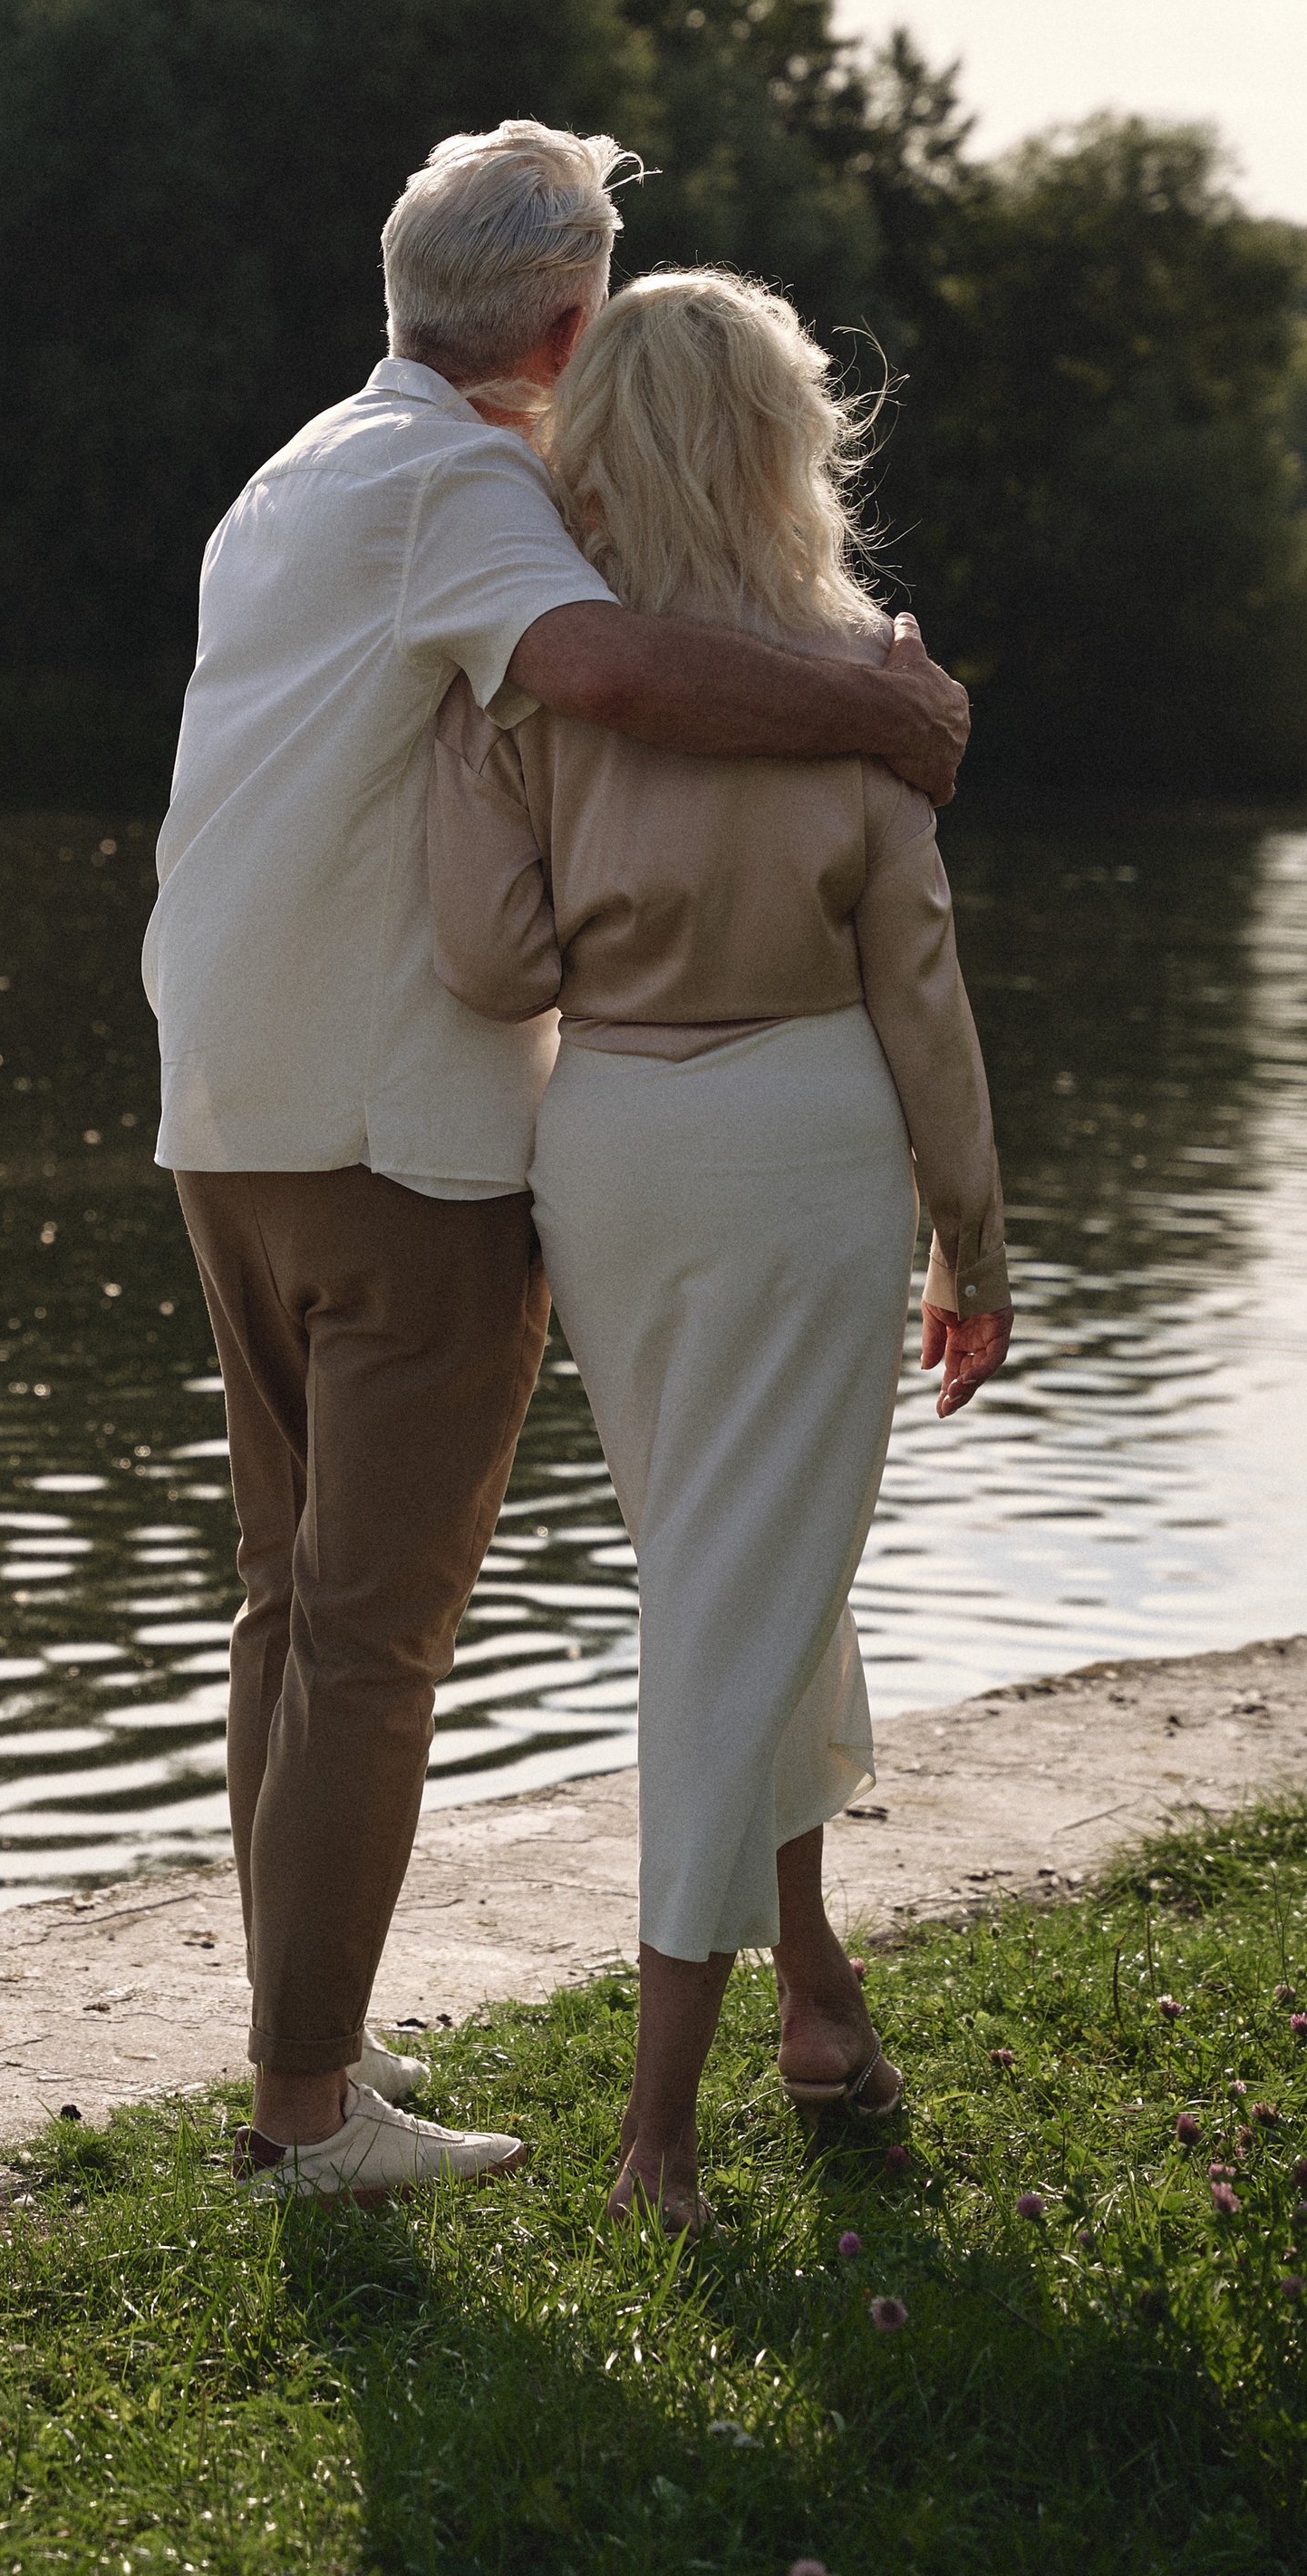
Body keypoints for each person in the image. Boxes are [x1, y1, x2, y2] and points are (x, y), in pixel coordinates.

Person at [142, 120, 973, 2205]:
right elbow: (605, 669)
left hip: (225, 1115)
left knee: (286, 1609)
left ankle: (297, 2061)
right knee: (369, 1633)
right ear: (565, 321)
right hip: (388, 1137)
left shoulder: (300, 468)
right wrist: (872, 708)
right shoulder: (461, 481)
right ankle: (308, 2111)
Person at [427, 264, 1012, 2233]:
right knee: (734, 1597)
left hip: (609, 1149)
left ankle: (816, 1999)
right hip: (803, 1142)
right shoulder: (861, 688)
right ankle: (653, 2139)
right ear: (784, 448)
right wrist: (976, 1245)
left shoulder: (541, 678)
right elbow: (919, 998)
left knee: (738, 1564)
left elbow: (491, 958)